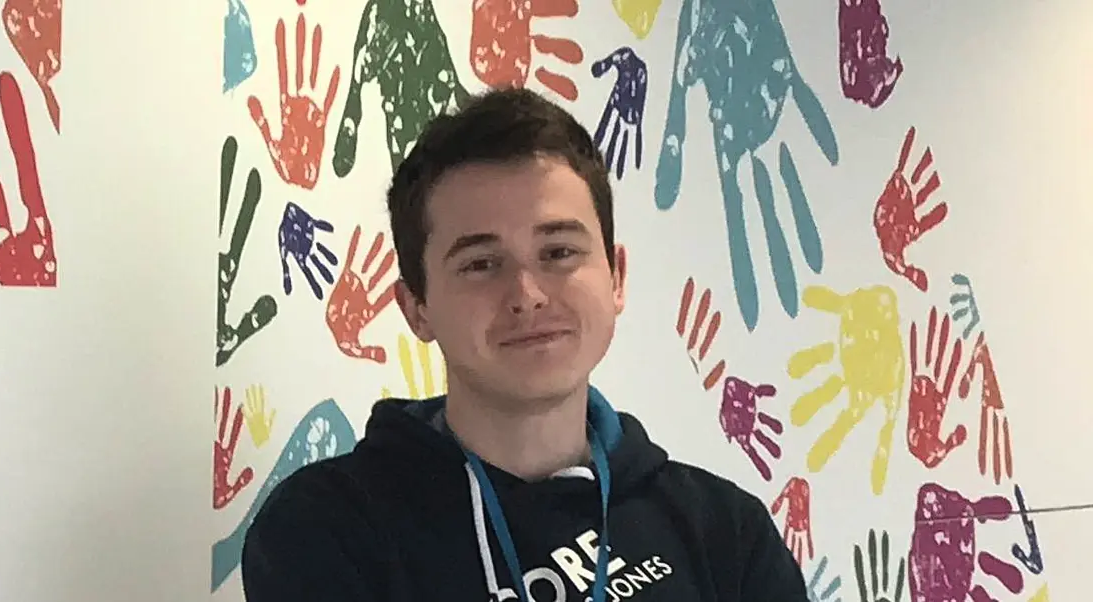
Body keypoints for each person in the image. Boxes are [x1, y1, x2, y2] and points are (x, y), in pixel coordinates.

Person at [240, 87, 808, 602]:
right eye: (481, 263)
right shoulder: (327, 528)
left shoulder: (724, 529)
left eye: (559, 252)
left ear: (616, 278)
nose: (527, 294)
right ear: (417, 307)